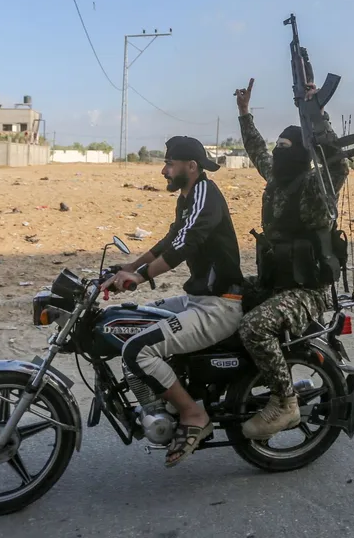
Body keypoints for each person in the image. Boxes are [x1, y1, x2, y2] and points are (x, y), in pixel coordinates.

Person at [101, 135, 244, 467]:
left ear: (190, 167)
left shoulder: (205, 193)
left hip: (219, 304)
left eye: (169, 164)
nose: (164, 171)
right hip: (199, 298)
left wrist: (141, 276)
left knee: (138, 348)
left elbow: (184, 246)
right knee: (129, 321)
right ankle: (163, 400)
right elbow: (172, 238)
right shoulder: (189, 196)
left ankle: (193, 414)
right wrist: (127, 267)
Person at [234, 78, 350, 439]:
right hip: (277, 283)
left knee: (254, 328)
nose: (278, 151)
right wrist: (244, 114)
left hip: (307, 290)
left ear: (301, 153)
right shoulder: (278, 178)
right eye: (278, 146)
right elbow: (257, 151)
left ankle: (285, 403)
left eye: (285, 146)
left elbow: (337, 164)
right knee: (221, 296)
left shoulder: (315, 187)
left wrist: (316, 113)